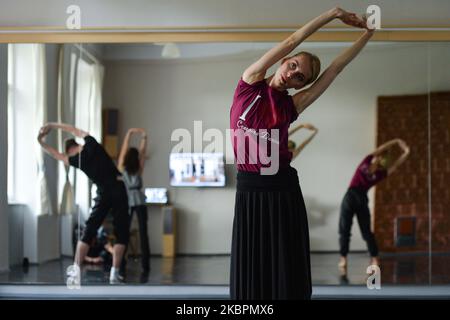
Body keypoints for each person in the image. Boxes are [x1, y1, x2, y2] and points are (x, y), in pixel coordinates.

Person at [229, 7, 374, 300]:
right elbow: (293, 39)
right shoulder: (250, 81)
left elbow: (334, 69)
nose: (293, 74)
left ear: (301, 86)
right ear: (284, 61)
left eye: (300, 78)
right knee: (252, 269)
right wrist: (333, 13)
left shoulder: (292, 106)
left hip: (281, 188)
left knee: (284, 264)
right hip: (248, 188)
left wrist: (368, 34)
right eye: (293, 66)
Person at [37, 122, 130, 284]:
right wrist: (53, 125)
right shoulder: (91, 143)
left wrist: (41, 142)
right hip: (117, 187)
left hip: (103, 193)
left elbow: (56, 155)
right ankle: (114, 274)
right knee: (122, 232)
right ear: (78, 144)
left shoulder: (75, 160)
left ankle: (75, 272)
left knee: (89, 230)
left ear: (69, 150)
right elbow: (74, 130)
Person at [338, 138, 410, 273]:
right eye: (379, 157)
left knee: (366, 231)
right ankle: (343, 258)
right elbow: (382, 147)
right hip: (350, 196)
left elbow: (395, 165)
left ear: (383, 163)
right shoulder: (366, 161)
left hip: (361, 199)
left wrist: (405, 153)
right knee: (344, 229)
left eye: (382, 160)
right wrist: (395, 141)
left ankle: (375, 257)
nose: (378, 160)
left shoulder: (380, 174)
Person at [118, 128, 151, 274]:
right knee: (143, 233)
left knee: (124, 232)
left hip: (127, 201)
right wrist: (144, 137)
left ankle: (121, 263)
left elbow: (124, 151)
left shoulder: (122, 168)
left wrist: (129, 134)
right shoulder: (139, 168)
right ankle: (145, 264)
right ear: (136, 158)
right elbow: (143, 152)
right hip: (139, 201)